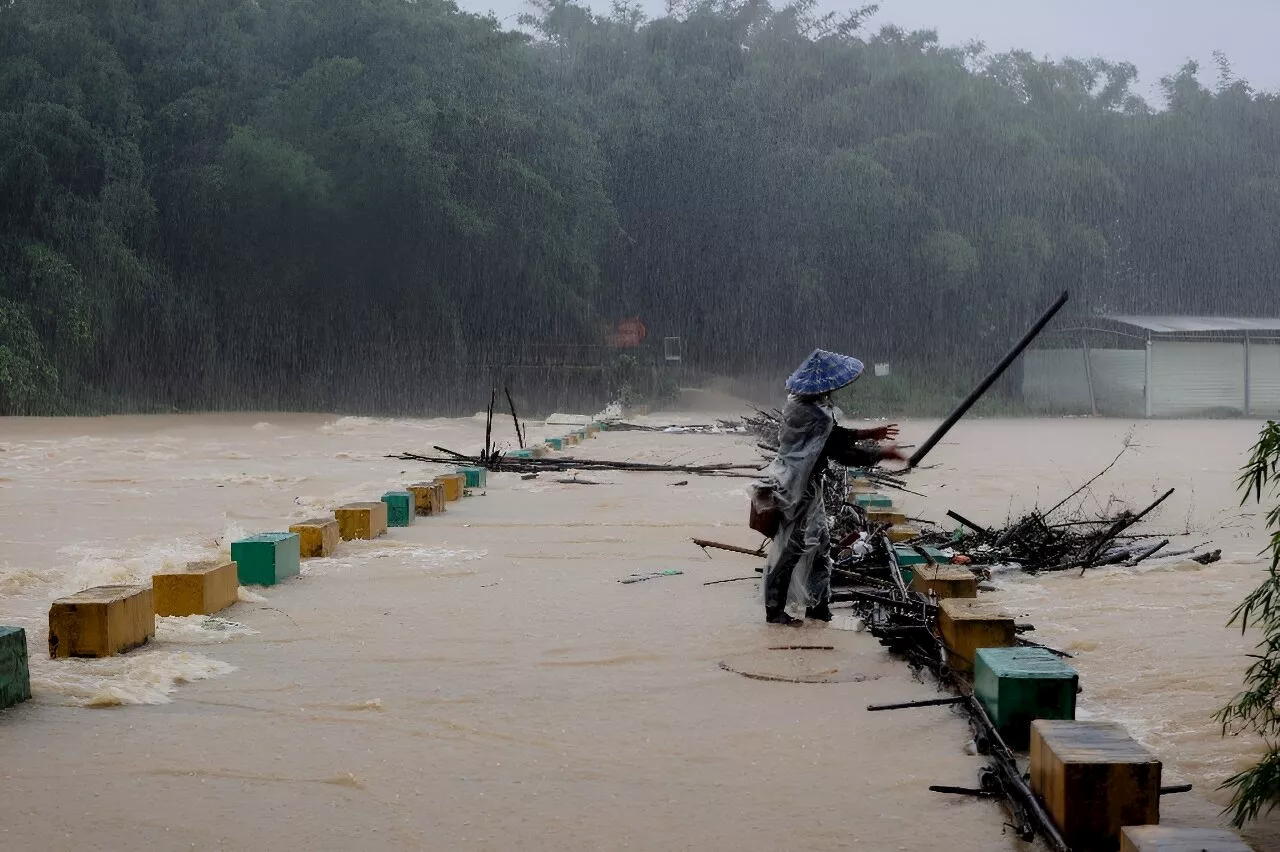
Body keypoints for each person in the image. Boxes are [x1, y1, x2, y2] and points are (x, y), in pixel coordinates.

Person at [751, 349, 904, 625]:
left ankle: (818, 606)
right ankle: (775, 611)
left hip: (801, 483)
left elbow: (833, 437)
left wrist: (871, 434)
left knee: (819, 543)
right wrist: (881, 452)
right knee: (793, 547)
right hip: (797, 487)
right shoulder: (814, 414)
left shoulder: (797, 406)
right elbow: (838, 450)